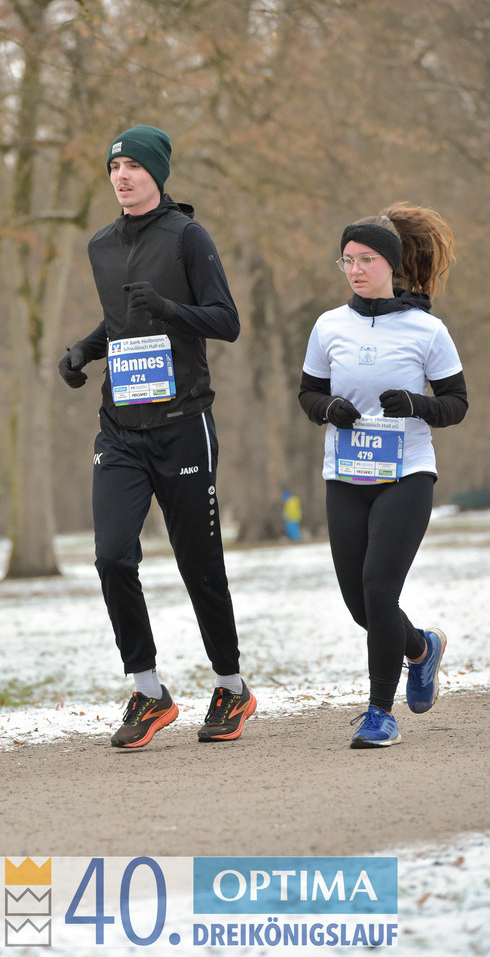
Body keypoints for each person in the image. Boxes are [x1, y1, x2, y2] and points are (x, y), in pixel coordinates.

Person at [58, 125, 256, 748]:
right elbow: (120, 321)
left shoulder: (188, 237)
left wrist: (172, 311)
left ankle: (231, 686)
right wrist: (85, 351)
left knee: (199, 562)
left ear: (157, 174)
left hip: (182, 425)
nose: (122, 175)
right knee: (113, 556)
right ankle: (148, 691)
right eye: (114, 166)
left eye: (134, 166)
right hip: (120, 425)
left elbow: (226, 321)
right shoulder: (101, 246)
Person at [298, 202, 468, 749]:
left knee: (378, 586)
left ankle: (378, 712)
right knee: (359, 603)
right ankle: (420, 648)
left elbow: (457, 403)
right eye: (346, 260)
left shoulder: (427, 329)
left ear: (391, 265)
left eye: (366, 259)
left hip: (407, 475)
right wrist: (328, 409)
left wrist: (417, 405)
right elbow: (307, 393)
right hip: (345, 475)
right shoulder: (328, 326)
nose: (354, 269)